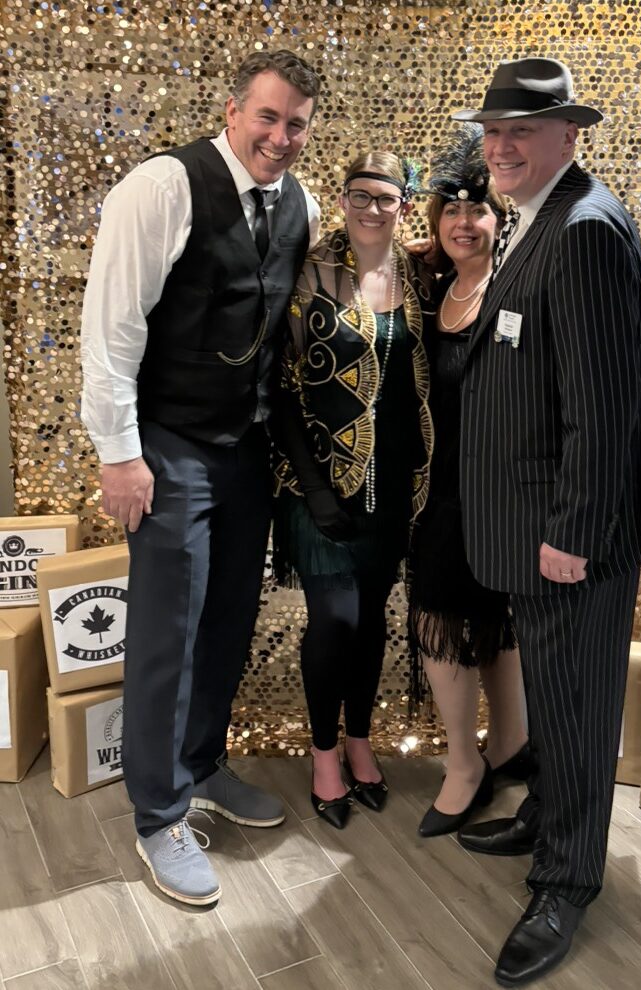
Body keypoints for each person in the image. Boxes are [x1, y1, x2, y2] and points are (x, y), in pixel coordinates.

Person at [453, 58, 641, 986]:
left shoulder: (583, 227)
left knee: (581, 706)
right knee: (555, 693)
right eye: (492, 131)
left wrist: (575, 533)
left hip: (568, 535)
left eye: (520, 131)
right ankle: (551, 816)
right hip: (531, 522)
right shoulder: (537, 216)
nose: (500, 147)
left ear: (567, 136)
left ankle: (567, 881)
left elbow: (607, 402)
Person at [80, 49, 322, 907]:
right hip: (168, 441)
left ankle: (200, 765)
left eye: (296, 123)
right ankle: (157, 813)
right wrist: (119, 452)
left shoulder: (302, 203)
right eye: (268, 117)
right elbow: (110, 326)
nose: (281, 137)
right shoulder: (162, 186)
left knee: (226, 618)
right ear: (233, 111)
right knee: (165, 631)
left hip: (245, 444)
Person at [273, 152, 434, 829]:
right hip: (320, 484)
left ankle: (361, 739)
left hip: (397, 481)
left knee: (372, 619)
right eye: (359, 195)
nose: (372, 209)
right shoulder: (306, 272)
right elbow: (278, 389)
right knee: (335, 619)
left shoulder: (422, 276)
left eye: (387, 198)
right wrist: (312, 490)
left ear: (404, 206)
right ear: (341, 199)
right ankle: (323, 754)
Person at [406, 125, 534, 839]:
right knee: (441, 617)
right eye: (450, 211)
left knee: (498, 618)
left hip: (508, 495)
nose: (464, 221)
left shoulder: (518, 288)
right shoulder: (431, 290)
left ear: (498, 217)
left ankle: (509, 745)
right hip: (440, 495)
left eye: (477, 209)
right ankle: (465, 763)